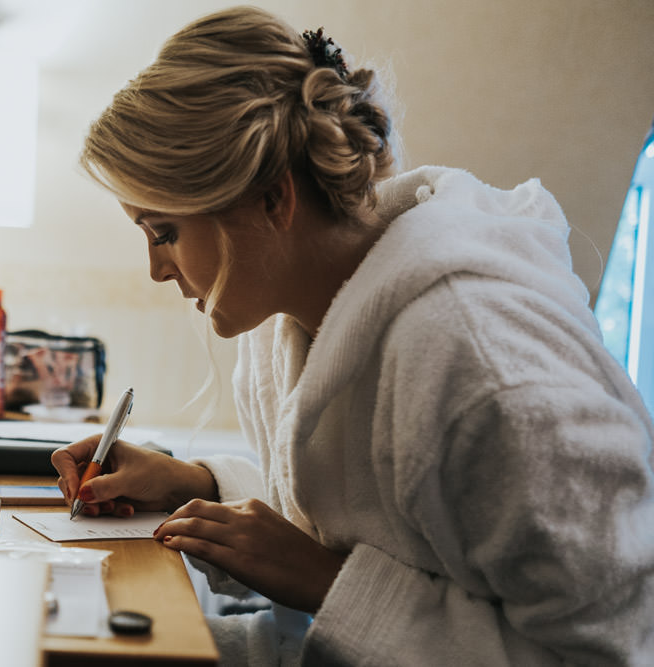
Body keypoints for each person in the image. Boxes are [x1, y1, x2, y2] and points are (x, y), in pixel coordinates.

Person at [51, 6, 654, 665]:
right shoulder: (295, 313)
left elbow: (609, 650)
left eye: (163, 232)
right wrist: (195, 484)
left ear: (273, 202)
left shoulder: (486, 370)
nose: (156, 269)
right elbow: (374, 527)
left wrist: (326, 582)